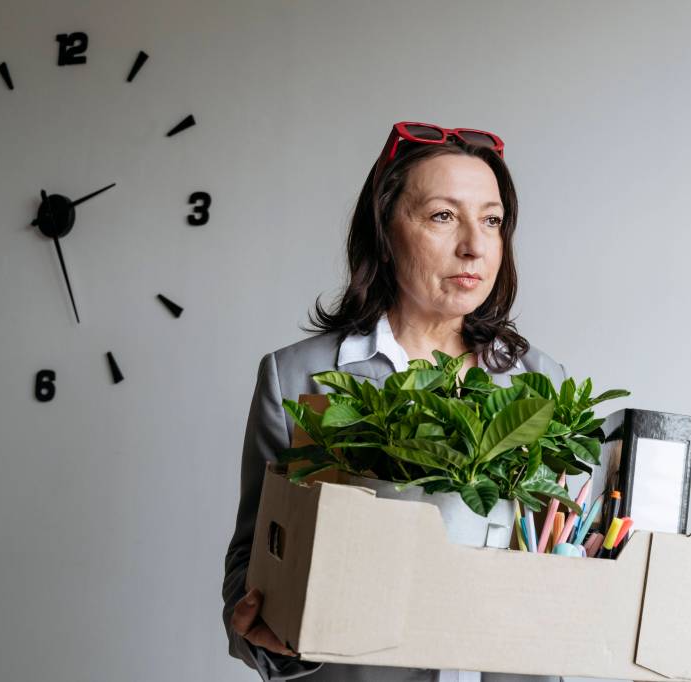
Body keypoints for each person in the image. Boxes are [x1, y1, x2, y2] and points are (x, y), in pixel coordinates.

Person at [222, 122, 570, 682]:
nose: (474, 246)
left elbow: (561, 559)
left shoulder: (540, 384)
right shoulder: (300, 377)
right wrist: (276, 639)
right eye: (442, 216)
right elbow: (254, 560)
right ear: (385, 232)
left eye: (491, 220)